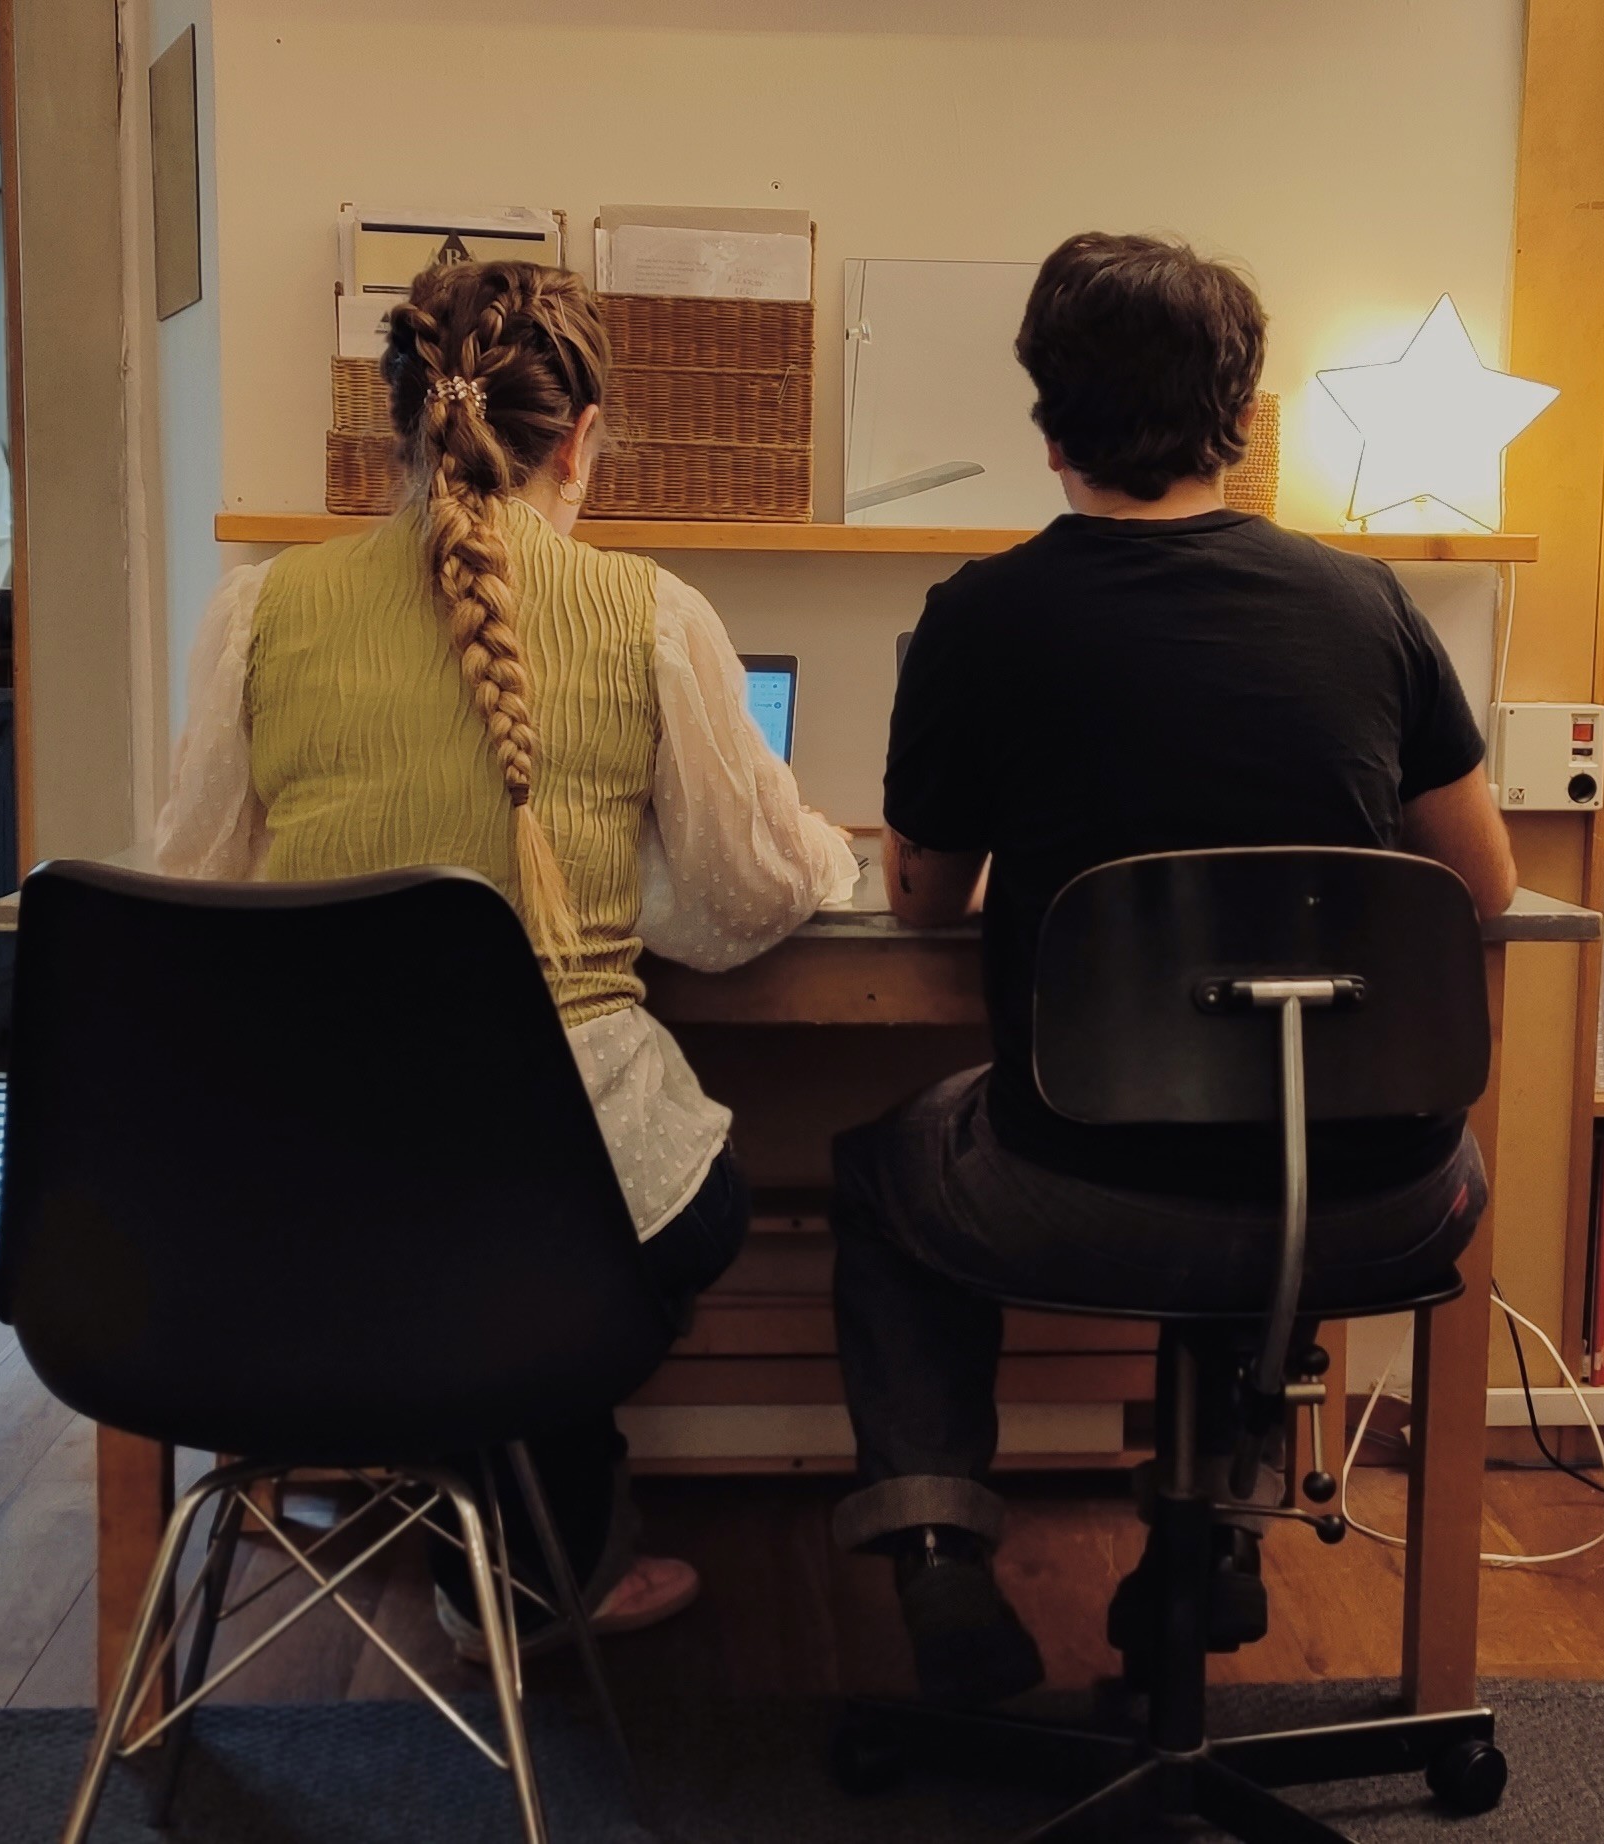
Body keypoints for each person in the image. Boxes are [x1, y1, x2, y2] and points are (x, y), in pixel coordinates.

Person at [830, 231, 1519, 1707]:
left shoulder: (982, 617)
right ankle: (1213, 1530)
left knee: (888, 1168)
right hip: (1385, 1197)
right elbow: (1488, 885)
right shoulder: (1370, 605)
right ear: (1242, 417)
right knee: (1262, 1114)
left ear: (1047, 420)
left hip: (1076, 1189)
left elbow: (921, 906)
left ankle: (941, 1545)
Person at [154, 258, 856, 1653]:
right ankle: (531, 1531)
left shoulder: (257, 612)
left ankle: (500, 1509)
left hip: (308, 1184)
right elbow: (744, 898)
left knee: (475, 1229)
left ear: (396, 422)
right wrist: (821, 848)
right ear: (582, 436)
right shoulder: (652, 614)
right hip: (537, 1198)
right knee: (677, 1205)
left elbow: (197, 887)